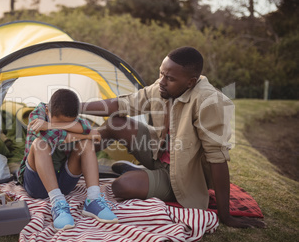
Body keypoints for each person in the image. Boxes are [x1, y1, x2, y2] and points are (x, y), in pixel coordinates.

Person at [81, 46, 265, 228]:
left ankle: (138, 174)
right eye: (161, 74)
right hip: (156, 153)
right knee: (116, 123)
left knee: (121, 187)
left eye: (169, 78)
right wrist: (76, 107)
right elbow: (121, 104)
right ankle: (74, 165)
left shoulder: (208, 102)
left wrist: (226, 216)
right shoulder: (163, 88)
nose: (161, 81)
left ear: (191, 82)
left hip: (180, 176)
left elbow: (217, 158)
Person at [17, 89, 118, 230]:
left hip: (64, 183)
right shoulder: (37, 114)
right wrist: (85, 135)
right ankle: (57, 203)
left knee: (86, 145)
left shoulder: (68, 116)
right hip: (36, 184)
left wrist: (52, 124)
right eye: (56, 121)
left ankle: (93, 199)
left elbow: (86, 127)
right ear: (47, 111)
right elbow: (50, 136)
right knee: (39, 143)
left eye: (70, 123)